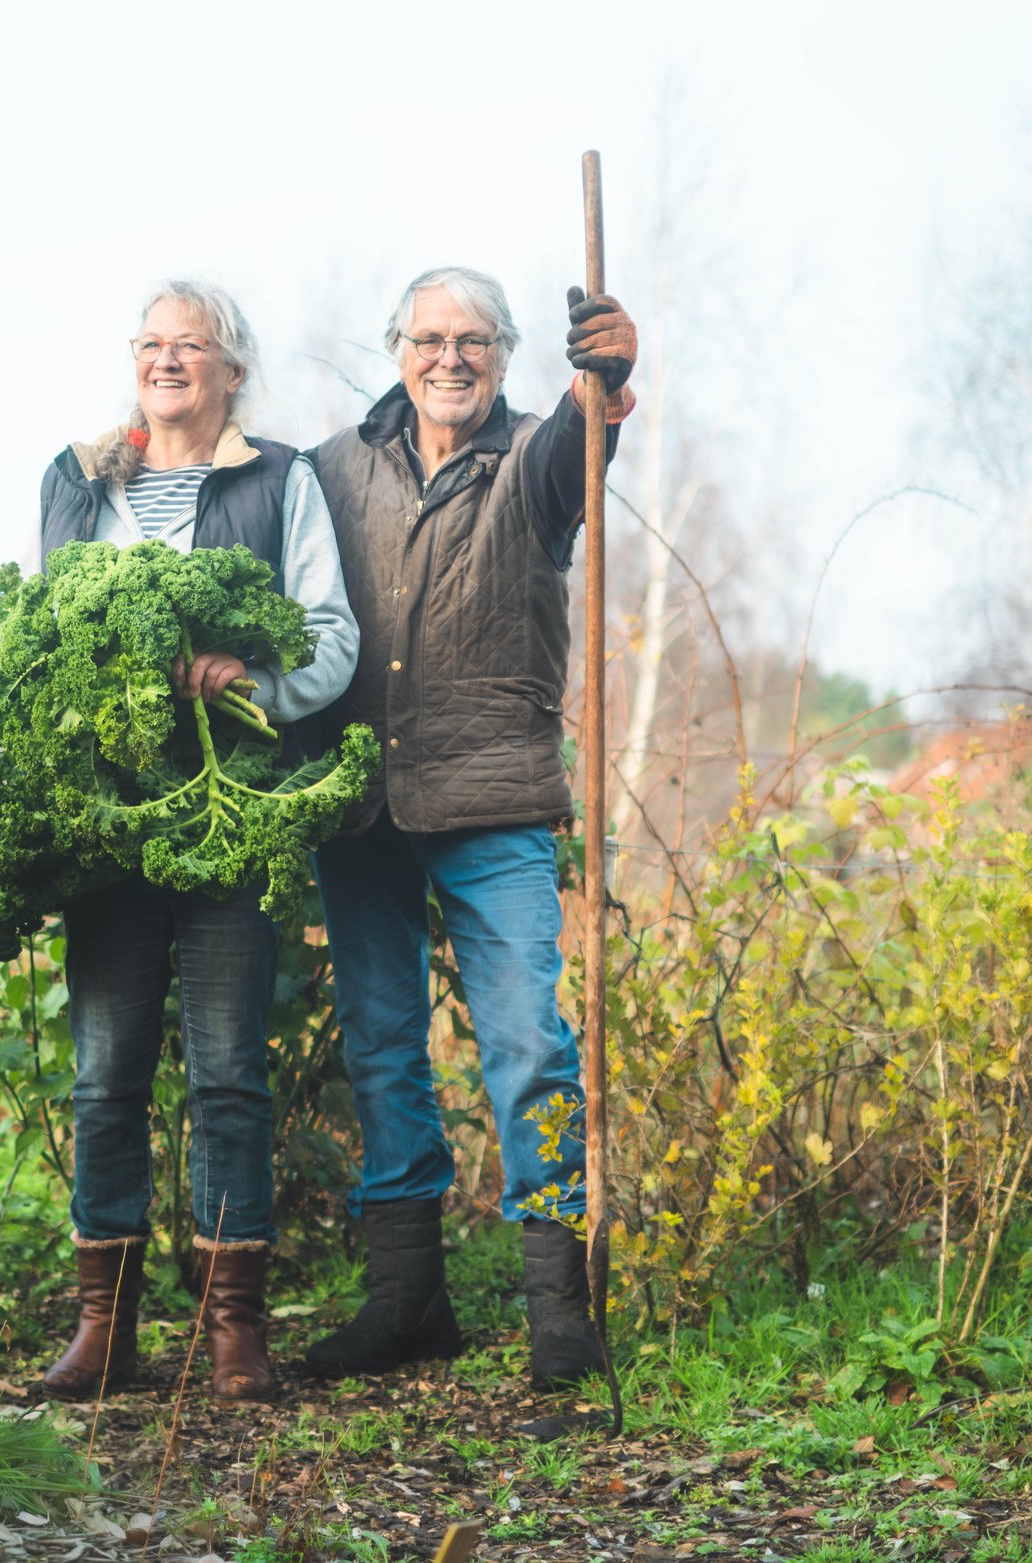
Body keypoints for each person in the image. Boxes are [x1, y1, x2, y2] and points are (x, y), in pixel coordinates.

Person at [298, 266, 637, 1391]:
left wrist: (610, 379)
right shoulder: (331, 470)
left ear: (505, 354)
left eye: (475, 340)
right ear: (396, 346)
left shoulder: (534, 459)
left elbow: (582, 443)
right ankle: (407, 1302)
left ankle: (557, 1313)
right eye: (430, 337)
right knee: (383, 1050)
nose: (451, 357)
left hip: (492, 799)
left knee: (527, 1049)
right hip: (362, 805)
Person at [32, 281, 358, 1404]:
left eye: (193, 347)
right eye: (152, 345)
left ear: (233, 372)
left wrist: (253, 677)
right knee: (103, 1078)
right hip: (111, 823)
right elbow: (47, 638)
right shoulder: (74, 480)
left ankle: (233, 1337)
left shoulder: (280, 478)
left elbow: (332, 635)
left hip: (233, 812)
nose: (168, 362)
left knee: (227, 1077)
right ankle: (103, 1334)